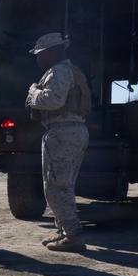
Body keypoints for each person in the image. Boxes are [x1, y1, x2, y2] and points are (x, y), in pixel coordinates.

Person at [25, 33, 91, 253]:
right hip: (74, 130)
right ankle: (64, 232)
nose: (37, 60)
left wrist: (34, 92)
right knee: (64, 184)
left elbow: (53, 101)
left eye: (39, 55)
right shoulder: (74, 71)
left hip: (62, 132)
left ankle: (72, 236)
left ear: (51, 53)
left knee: (56, 186)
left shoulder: (59, 71)